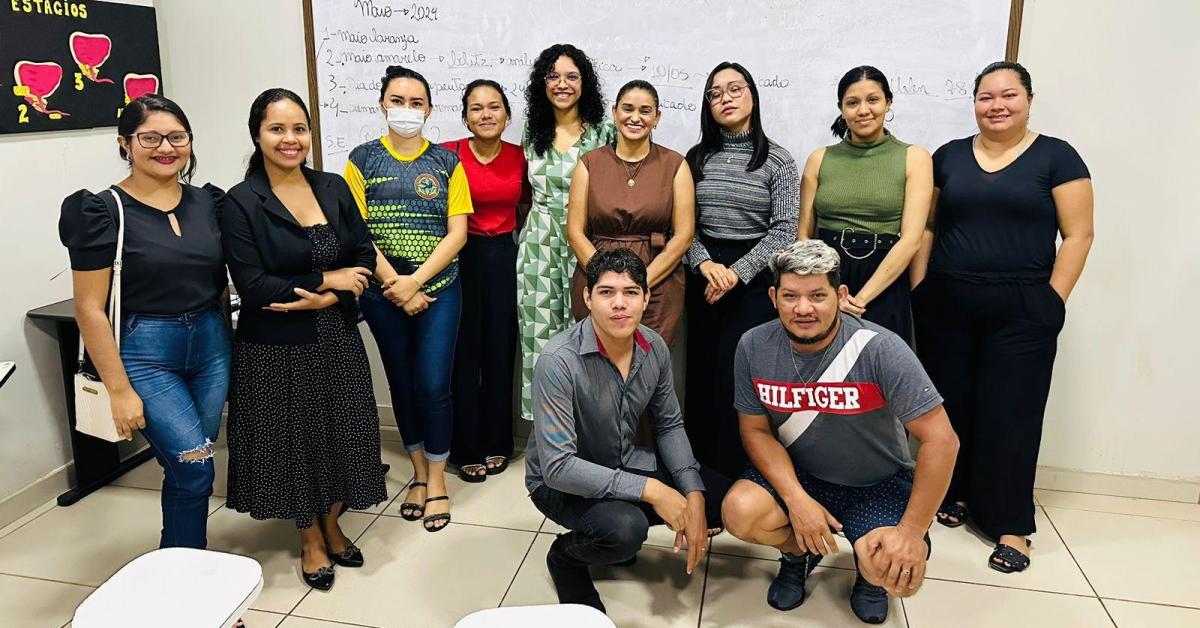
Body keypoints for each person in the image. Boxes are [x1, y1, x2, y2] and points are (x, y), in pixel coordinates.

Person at [910, 61, 1093, 573]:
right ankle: (961, 495)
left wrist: (1051, 301)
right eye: (986, 97)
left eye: (1008, 95)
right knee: (953, 409)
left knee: (1012, 413)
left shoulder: (1058, 157)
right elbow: (927, 227)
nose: (997, 105)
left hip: (1022, 309)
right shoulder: (947, 157)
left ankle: (1013, 524)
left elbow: (1078, 235)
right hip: (947, 303)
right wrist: (922, 287)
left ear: (1029, 100)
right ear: (974, 103)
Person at [720, 240, 958, 624]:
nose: (803, 309)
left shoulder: (881, 348)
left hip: (876, 482)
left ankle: (870, 578)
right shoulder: (753, 345)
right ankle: (798, 553)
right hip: (804, 475)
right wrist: (796, 499)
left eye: (817, 295)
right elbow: (756, 432)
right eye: (791, 296)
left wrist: (913, 533)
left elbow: (942, 440)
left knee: (896, 575)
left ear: (840, 295)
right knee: (739, 512)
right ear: (773, 297)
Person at [222, 88, 387, 590]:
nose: (290, 139)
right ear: (257, 135)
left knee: (343, 432)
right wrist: (324, 282)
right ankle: (309, 537)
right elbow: (251, 285)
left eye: (299, 129)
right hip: (275, 347)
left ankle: (333, 523)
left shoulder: (333, 187)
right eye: (277, 129)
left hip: (334, 335)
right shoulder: (241, 202)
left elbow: (361, 253)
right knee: (294, 443)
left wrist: (332, 296)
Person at [59, 94, 230, 549]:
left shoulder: (208, 203)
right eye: (150, 137)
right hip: (146, 351)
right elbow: (90, 309)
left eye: (177, 137)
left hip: (212, 347)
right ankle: (187, 581)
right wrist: (118, 389)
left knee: (189, 466)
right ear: (125, 143)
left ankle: (181, 566)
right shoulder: (101, 211)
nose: (165, 147)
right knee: (195, 469)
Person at [526, 248, 730, 614]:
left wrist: (692, 493)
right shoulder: (558, 362)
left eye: (631, 292)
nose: (619, 304)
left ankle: (617, 531)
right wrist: (653, 490)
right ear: (587, 298)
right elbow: (558, 468)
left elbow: (669, 425)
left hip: (623, 460)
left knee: (719, 499)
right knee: (625, 531)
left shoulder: (654, 348)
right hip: (558, 484)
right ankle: (566, 556)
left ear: (646, 297)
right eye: (606, 292)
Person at [345, 65, 472, 532]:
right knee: (401, 382)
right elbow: (356, 233)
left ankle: (437, 478)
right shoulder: (360, 160)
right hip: (383, 296)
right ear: (382, 105)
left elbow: (458, 233)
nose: (406, 110)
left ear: (429, 109)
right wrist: (394, 285)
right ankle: (417, 473)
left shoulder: (446, 162)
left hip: (439, 291)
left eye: (416, 103)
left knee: (433, 384)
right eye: (398, 101)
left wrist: (415, 282)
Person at [683, 62, 800, 481]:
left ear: (752, 95)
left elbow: (785, 230)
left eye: (735, 88)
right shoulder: (695, 160)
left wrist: (737, 272)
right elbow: (684, 226)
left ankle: (738, 475)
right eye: (715, 93)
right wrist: (705, 263)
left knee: (737, 379)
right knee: (699, 374)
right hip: (705, 275)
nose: (726, 98)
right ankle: (699, 475)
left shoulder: (779, 161)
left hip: (753, 281)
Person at [797, 66, 933, 344]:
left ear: (888, 103)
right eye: (852, 102)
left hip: (885, 279)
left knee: (878, 377)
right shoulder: (819, 158)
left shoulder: (914, 157)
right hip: (826, 277)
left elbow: (911, 240)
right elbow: (804, 236)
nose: (863, 110)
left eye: (873, 100)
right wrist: (826, 290)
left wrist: (859, 301)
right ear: (841, 109)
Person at [518, 43, 616, 422]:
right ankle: (547, 434)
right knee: (540, 341)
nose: (562, 84)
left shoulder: (605, 132)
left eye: (571, 76)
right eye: (553, 76)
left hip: (587, 244)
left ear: (584, 82)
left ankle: (591, 429)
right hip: (539, 246)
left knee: (588, 336)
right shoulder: (533, 131)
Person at [441, 79, 530, 482]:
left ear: (507, 115)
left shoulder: (521, 157)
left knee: (500, 349)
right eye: (476, 108)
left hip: (503, 256)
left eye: (494, 107)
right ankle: (466, 447)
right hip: (459, 255)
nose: (486, 115)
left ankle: (499, 441)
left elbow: (529, 203)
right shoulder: (448, 155)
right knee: (464, 353)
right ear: (465, 117)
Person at [567, 79, 695, 347]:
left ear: (657, 118)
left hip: (657, 281)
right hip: (597, 276)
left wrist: (639, 284)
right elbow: (575, 232)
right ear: (615, 113)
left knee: (647, 368)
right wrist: (606, 281)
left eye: (645, 111)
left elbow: (683, 236)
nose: (635, 118)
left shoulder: (676, 165)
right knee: (596, 365)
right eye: (628, 109)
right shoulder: (588, 164)